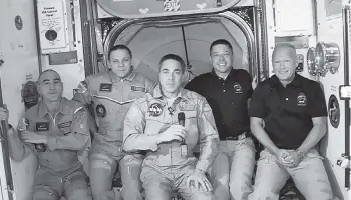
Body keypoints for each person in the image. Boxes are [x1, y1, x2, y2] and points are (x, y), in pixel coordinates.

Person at [122, 54, 219, 200]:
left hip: (188, 168)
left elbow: (211, 138)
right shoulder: (142, 104)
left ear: (184, 76)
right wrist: (160, 137)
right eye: (166, 72)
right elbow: (128, 142)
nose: (171, 77)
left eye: (176, 72)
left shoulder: (198, 101)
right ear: (159, 75)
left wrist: (200, 169)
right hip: (156, 171)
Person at [248, 43, 334, 200]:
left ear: (296, 63)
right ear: (273, 65)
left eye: (286, 61)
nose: (281, 67)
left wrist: (299, 153)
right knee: (260, 196)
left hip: (305, 153)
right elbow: (255, 126)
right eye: (277, 62)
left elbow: (320, 126)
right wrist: (275, 151)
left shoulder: (312, 87)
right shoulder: (263, 88)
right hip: (272, 155)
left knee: (323, 197)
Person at [0, 69, 92, 200]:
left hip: (74, 173)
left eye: (56, 82)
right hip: (45, 176)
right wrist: (7, 127)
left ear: (62, 86)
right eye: (46, 83)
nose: (52, 87)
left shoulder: (76, 109)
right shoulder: (30, 116)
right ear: (39, 89)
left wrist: (44, 138)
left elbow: (79, 141)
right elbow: (19, 155)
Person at [73, 45, 154, 200]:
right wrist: (92, 130)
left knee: (133, 193)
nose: (121, 64)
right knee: (98, 192)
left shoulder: (147, 85)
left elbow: (158, 114)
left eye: (125, 60)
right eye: (115, 61)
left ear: (131, 62)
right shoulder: (93, 82)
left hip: (132, 148)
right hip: (103, 146)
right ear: (108, 64)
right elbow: (77, 107)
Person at [185, 39, 256, 200]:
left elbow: (258, 104)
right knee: (220, 189)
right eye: (216, 55)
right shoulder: (199, 82)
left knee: (239, 188)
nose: (221, 59)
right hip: (215, 145)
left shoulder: (244, 77)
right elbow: (179, 96)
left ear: (232, 56)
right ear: (210, 59)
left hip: (242, 143)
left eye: (226, 54)